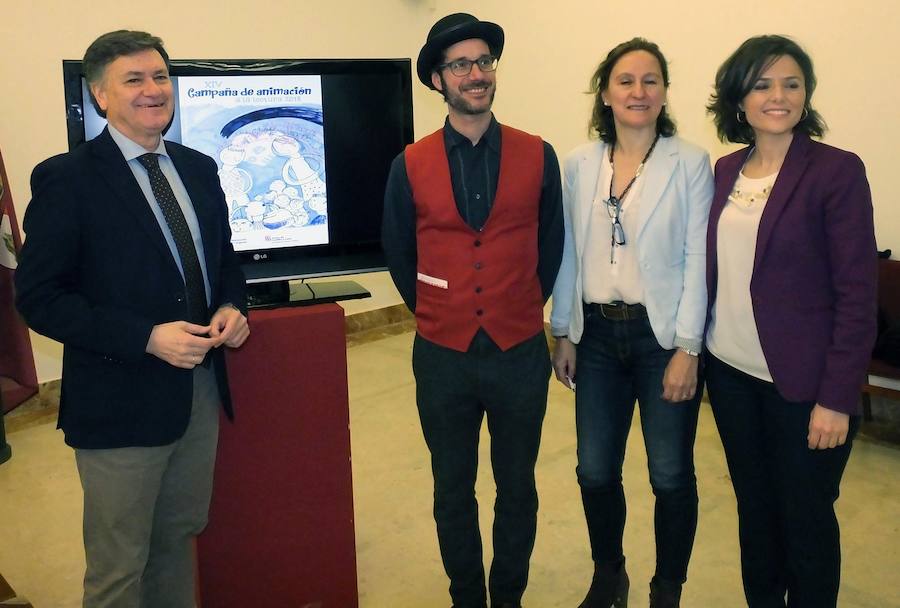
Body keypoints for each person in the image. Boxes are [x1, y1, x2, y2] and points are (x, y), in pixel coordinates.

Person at [15, 30, 249, 607]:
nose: (154, 90)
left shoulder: (198, 168)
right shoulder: (66, 180)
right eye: (135, 79)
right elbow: (39, 297)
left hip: (197, 394)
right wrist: (145, 338)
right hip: (118, 406)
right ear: (100, 96)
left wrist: (232, 306)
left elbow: (224, 263)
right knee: (120, 566)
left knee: (178, 540)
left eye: (161, 77)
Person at [381, 12, 563, 608]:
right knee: (452, 487)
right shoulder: (409, 164)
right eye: (460, 64)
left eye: (484, 61)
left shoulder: (539, 155)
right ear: (438, 79)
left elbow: (552, 245)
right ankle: (467, 596)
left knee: (517, 486)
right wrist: (438, 308)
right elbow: (399, 250)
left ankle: (507, 594)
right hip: (442, 358)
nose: (476, 73)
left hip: (518, 353)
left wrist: (519, 305)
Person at [704, 35, 876, 608]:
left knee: (805, 524)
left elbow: (857, 295)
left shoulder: (836, 172)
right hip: (730, 376)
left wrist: (836, 398)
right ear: (739, 98)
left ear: (806, 94)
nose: (777, 96)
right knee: (755, 515)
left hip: (803, 389)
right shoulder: (724, 171)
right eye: (762, 84)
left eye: (791, 83)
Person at [550, 38, 713, 608]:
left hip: (660, 339)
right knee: (594, 471)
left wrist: (688, 348)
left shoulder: (689, 162)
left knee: (669, 474)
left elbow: (698, 259)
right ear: (606, 92)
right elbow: (569, 250)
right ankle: (609, 572)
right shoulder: (579, 162)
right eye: (626, 80)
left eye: (650, 80)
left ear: (665, 92)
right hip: (593, 336)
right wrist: (563, 329)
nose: (638, 91)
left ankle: (667, 585)